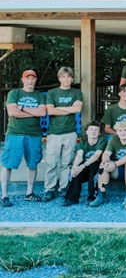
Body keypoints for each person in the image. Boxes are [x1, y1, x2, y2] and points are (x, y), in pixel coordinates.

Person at [1, 69, 46, 207]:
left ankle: (29, 193)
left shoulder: (39, 96)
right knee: (8, 164)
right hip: (15, 133)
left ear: (36, 80)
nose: (30, 81)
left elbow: (42, 112)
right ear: (23, 80)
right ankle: (4, 196)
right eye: (28, 78)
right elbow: (12, 112)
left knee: (32, 164)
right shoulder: (14, 93)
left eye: (33, 78)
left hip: (34, 134)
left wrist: (22, 108)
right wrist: (33, 113)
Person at [43, 66, 83, 201]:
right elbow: (50, 111)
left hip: (70, 132)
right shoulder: (52, 92)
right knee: (52, 163)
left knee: (67, 162)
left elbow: (77, 109)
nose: (66, 79)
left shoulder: (76, 93)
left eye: (69, 77)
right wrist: (68, 109)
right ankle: (49, 189)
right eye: (63, 77)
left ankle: (63, 187)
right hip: (54, 132)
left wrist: (58, 108)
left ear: (72, 79)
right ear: (59, 78)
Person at [91, 121, 126, 207]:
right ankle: (101, 195)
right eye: (120, 130)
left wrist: (115, 164)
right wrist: (107, 163)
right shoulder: (113, 139)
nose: (123, 133)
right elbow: (106, 154)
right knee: (103, 164)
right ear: (117, 132)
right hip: (117, 170)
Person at [62, 121, 107, 207]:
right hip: (85, 168)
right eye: (91, 129)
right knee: (77, 171)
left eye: (96, 130)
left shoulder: (101, 142)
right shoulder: (82, 142)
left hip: (97, 169)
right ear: (87, 132)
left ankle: (92, 196)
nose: (93, 132)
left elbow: (96, 156)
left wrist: (82, 166)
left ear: (99, 133)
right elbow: (79, 155)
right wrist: (75, 167)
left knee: (93, 165)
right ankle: (72, 198)